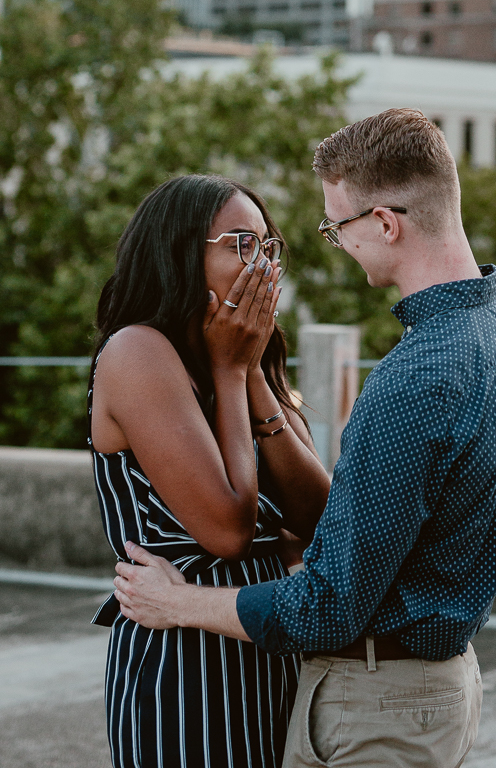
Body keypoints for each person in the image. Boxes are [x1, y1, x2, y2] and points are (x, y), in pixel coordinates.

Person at [113, 109, 496, 768]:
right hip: (431, 686)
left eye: (336, 226)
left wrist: (177, 602)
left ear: (384, 223)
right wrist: (247, 371)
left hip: (379, 699)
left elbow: (327, 606)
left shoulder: (417, 376)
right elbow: (350, 528)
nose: (335, 245)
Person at [88, 173, 331, 768]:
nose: (263, 267)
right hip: (184, 665)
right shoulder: (137, 352)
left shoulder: (242, 359)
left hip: (262, 652)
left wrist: (249, 374)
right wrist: (228, 372)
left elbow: (321, 515)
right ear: (180, 255)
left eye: (269, 247)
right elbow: (226, 532)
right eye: (240, 245)